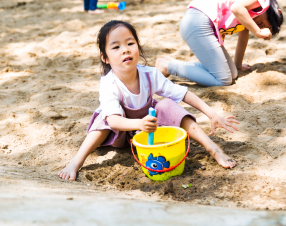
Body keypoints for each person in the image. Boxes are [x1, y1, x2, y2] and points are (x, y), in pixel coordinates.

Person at [58, 20, 240, 181]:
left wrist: (212, 114)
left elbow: (182, 93)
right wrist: (139, 123)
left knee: (167, 104)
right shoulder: (109, 83)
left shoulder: (150, 74)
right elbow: (113, 120)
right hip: (120, 131)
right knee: (103, 121)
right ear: (104, 57)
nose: (125, 49)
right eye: (116, 47)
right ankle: (76, 162)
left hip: (150, 129)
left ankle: (213, 149)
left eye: (130, 43)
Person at [156, 0, 284, 87]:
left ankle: (172, 63)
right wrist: (258, 31)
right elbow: (236, 7)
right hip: (197, 21)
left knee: (232, 73)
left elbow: (243, 38)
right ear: (276, 12)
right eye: (267, 25)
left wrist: (238, 65)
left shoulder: (249, 14)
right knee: (224, 80)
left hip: (201, 24)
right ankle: (167, 67)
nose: (262, 26)